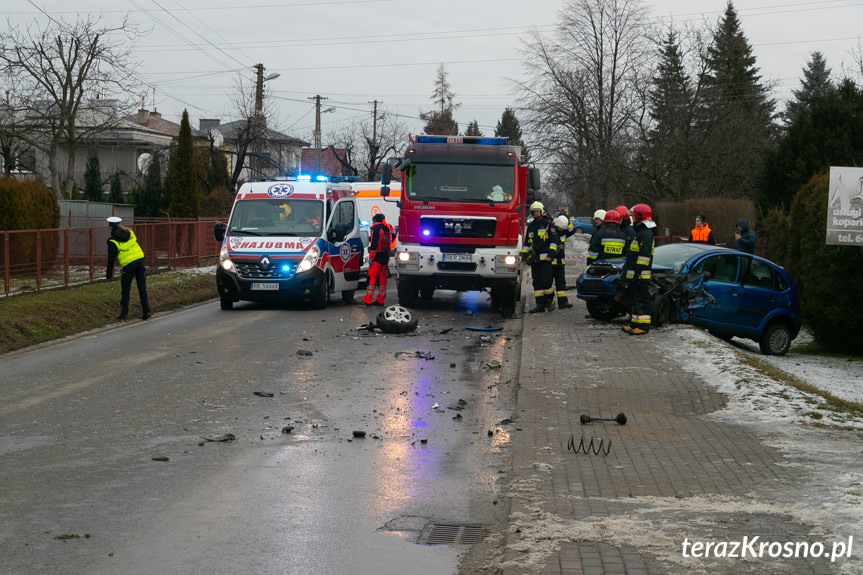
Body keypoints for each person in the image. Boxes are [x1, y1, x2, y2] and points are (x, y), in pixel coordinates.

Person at [106, 217, 151, 321]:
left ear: (110, 227)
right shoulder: (130, 233)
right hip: (140, 261)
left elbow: (111, 259)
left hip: (128, 265)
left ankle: (124, 313)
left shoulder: (112, 241)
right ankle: (146, 311)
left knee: (126, 289)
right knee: (142, 287)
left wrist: (109, 275)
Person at [621, 204, 656, 335]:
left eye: (634, 215)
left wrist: (638, 272)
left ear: (640, 216)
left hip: (641, 275)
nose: (632, 218)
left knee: (642, 299)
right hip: (635, 274)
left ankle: (643, 327)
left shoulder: (645, 233)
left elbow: (644, 256)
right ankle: (634, 324)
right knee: (635, 299)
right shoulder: (640, 231)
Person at [522, 201, 557, 313]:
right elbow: (527, 243)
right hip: (535, 259)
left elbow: (554, 241)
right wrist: (524, 257)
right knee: (536, 282)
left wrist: (550, 255)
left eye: (537, 211)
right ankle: (540, 304)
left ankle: (550, 301)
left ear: (541, 212)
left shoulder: (548, 225)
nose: (535, 213)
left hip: (546, 259)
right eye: (534, 212)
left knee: (546, 281)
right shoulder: (531, 226)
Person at [361, 213, 392, 305]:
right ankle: (380, 299)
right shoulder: (387, 229)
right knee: (382, 279)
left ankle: (367, 299)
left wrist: (371, 257)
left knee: (372, 278)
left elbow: (374, 244)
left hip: (377, 257)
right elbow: (391, 239)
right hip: (385, 256)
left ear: (375, 221)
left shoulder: (376, 229)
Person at [550, 214, 576, 309]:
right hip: (551, 262)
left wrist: (567, 222)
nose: (561, 229)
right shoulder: (551, 231)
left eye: (563, 228)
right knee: (549, 283)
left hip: (560, 262)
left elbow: (572, 230)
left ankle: (562, 302)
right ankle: (550, 302)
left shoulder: (564, 232)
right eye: (560, 228)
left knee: (561, 283)